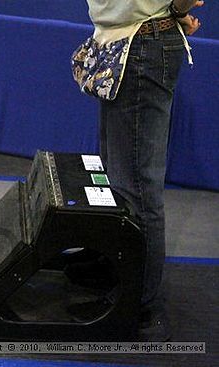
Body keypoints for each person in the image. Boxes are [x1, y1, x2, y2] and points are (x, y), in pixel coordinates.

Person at [70, 0, 204, 341]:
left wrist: (175, 9)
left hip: (141, 44)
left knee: (138, 188)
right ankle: (116, 268)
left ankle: (137, 305)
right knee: (118, 175)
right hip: (126, 41)